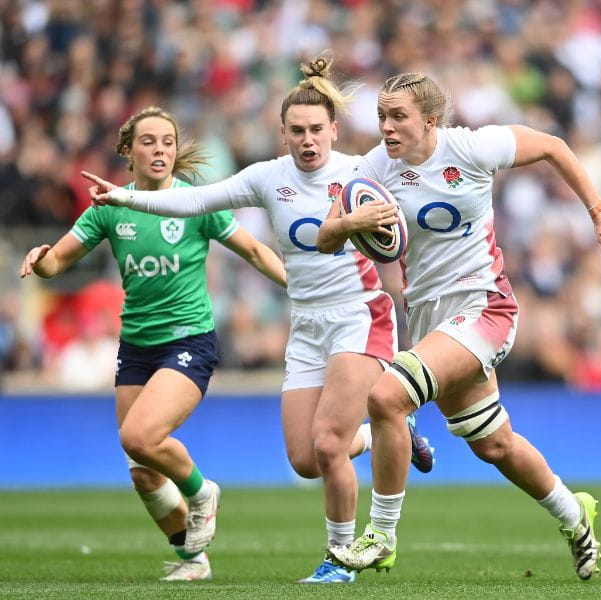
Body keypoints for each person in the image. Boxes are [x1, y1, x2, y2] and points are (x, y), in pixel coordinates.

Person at [81, 54, 434, 584]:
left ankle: (340, 560)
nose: (308, 139)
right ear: (284, 133)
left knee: (328, 445)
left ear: (334, 129)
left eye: (317, 129)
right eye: (297, 130)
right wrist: (124, 196)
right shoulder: (268, 178)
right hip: (307, 323)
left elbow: (409, 206)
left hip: (360, 317)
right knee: (304, 460)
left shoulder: (362, 172)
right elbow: (195, 199)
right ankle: (390, 430)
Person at [316, 71, 601, 581]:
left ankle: (381, 537)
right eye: (382, 117)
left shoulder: (474, 148)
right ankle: (577, 516)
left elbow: (553, 146)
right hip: (431, 318)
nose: (387, 128)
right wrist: (351, 224)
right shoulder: (374, 168)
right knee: (493, 445)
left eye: (399, 117)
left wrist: (599, 212)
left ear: (431, 120)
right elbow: (327, 237)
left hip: (485, 306)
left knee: (387, 397)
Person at [20, 106, 289, 581]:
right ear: (129, 151)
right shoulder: (110, 206)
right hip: (136, 346)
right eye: (148, 141)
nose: (160, 149)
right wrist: (40, 260)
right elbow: (57, 260)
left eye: (167, 141)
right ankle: (194, 560)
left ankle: (204, 492)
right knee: (143, 470)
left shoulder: (196, 203)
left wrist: (298, 285)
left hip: (189, 341)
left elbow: (251, 249)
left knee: (139, 438)